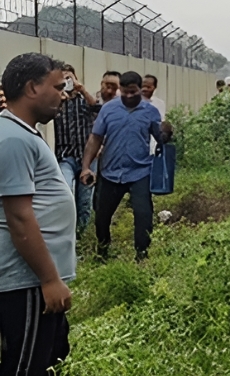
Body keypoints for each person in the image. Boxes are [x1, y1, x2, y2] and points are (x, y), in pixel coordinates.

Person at [0, 53, 74, 375]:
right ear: (32, 87)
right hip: (26, 281)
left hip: (31, 279)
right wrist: (49, 280)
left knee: (52, 352)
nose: (64, 94)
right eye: (58, 87)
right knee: (25, 366)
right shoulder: (13, 139)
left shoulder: (21, 133)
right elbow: (19, 218)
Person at [81, 72, 169, 261]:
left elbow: (159, 138)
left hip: (140, 172)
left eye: (133, 92)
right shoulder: (108, 109)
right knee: (102, 216)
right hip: (110, 172)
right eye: (125, 92)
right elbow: (95, 138)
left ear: (139, 89)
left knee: (143, 214)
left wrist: (167, 133)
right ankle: (103, 250)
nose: (129, 96)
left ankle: (141, 255)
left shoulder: (150, 111)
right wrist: (86, 166)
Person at [53, 64, 97, 236]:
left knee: (85, 200)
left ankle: (81, 236)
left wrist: (82, 89)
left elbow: (97, 108)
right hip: (65, 157)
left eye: (69, 78)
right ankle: (66, 232)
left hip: (87, 157)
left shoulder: (84, 100)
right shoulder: (58, 102)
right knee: (65, 191)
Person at [142, 74, 168, 156]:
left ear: (154, 87)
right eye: (143, 86)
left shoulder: (159, 104)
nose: (145, 89)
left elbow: (160, 124)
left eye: (148, 87)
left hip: (153, 145)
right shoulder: (134, 102)